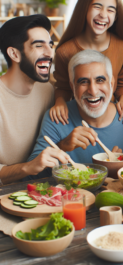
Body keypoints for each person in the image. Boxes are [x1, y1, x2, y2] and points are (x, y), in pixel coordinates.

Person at [26, 50, 123, 180]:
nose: (92, 91)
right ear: (72, 86)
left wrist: (115, 167)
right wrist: (62, 146)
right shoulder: (56, 119)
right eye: (83, 82)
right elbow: (30, 176)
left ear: (112, 84)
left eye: (99, 80)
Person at [51, 0, 123, 126]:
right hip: (78, 120)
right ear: (84, 8)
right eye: (97, 6)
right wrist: (59, 102)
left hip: (112, 120)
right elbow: (63, 86)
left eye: (110, 9)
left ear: (116, 16)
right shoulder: (65, 51)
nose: (103, 14)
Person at [0, 15, 69, 185]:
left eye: (50, 45)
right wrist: (28, 167)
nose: (49, 52)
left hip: (38, 188)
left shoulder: (47, 91)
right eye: (39, 45)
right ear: (14, 54)